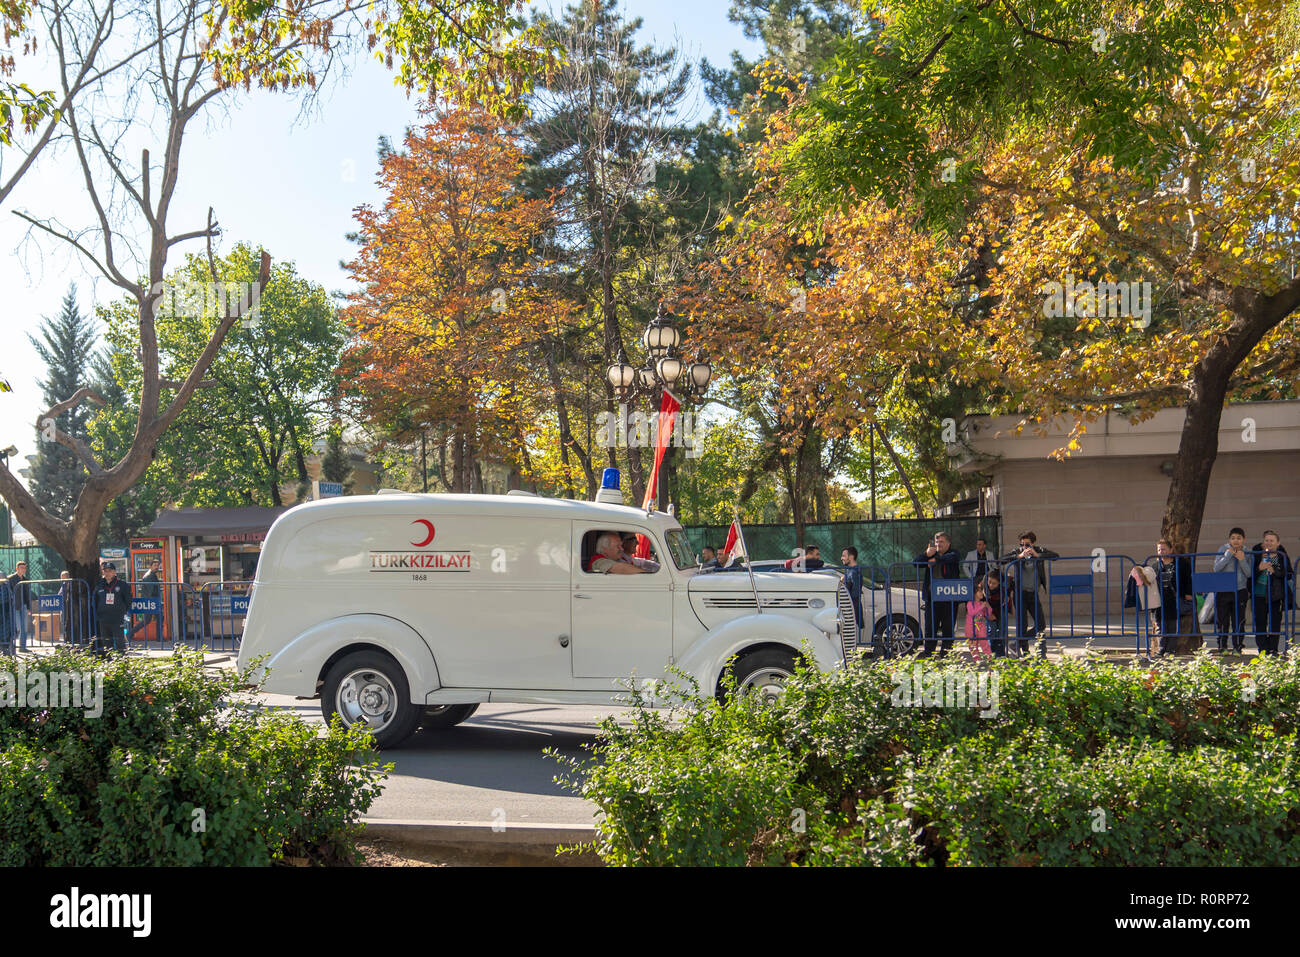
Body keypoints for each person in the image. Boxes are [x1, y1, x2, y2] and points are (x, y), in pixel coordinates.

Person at [1001, 532, 1059, 656]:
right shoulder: (1017, 552)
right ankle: (1025, 654)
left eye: (1027, 544)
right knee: (1022, 625)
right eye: (1021, 544)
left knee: (1041, 624)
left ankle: (1017, 644)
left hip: (1033, 593)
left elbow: (1055, 556)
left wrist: (1038, 555)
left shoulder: (1038, 551)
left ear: (1033, 543)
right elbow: (1001, 560)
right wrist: (1019, 556)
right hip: (1020, 593)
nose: (1024, 547)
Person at [915, 531, 962, 658]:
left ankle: (945, 652)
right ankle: (928, 651)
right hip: (932, 598)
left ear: (948, 543)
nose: (938, 544)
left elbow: (953, 557)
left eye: (941, 542)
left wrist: (936, 559)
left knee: (948, 627)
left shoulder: (953, 553)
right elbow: (916, 563)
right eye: (937, 542)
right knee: (930, 626)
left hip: (949, 597)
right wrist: (926, 554)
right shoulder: (930, 554)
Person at [1147, 539, 1195, 655]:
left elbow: (1188, 580)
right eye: (1159, 549)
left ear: (1171, 549)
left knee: (1173, 625)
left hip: (1174, 599)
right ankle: (1161, 649)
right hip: (1159, 600)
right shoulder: (1155, 566)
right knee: (1160, 626)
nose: (1161, 552)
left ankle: (1170, 650)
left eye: (1163, 549)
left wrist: (1188, 594)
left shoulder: (1181, 564)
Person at [1250, 530, 1292, 656]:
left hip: (1275, 595)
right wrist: (1259, 568)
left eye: (1272, 541)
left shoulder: (1281, 556)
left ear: (1278, 543)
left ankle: (1273, 649)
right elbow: (1249, 574)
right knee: (1260, 622)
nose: (1269, 543)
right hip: (1258, 594)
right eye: (1266, 540)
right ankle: (1263, 649)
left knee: (1274, 622)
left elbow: (1288, 573)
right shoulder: (1257, 555)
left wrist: (1274, 570)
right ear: (1263, 542)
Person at [1212, 528, 1251, 653]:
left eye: (1239, 538)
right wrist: (1227, 556)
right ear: (1229, 539)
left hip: (1240, 590)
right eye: (1233, 538)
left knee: (1238, 620)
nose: (1236, 541)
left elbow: (1249, 573)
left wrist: (1242, 560)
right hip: (1223, 590)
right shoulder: (1223, 549)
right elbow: (1216, 568)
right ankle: (1222, 646)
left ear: (1243, 540)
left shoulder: (1247, 552)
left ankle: (1237, 646)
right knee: (1222, 620)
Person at [92, 562, 133, 657]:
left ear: (114, 572)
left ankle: (122, 663)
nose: (107, 573)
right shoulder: (99, 585)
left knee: (119, 642)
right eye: (105, 571)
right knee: (106, 642)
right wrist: (98, 613)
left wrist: (121, 611)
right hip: (103, 618)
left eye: (109, 571)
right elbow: (95, 600)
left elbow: (128, 600)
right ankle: (109, 664)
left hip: (117, 618)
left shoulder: (122, 585)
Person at [129, 559, 162, 640]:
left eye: (157, 565)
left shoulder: (151, 574)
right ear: (150, 566)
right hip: (151, 601)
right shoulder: (150, 576)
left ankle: (159, 638)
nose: (156, 567)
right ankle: (130, 633)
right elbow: (150, 590)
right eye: (154, 565)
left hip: (150, 601)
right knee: (152, 619)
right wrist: (153, 602)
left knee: (149, 620)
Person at [5, 560, 32, 654]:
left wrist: (29, 607)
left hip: (23, 606)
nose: (23, 569)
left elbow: (28, 595)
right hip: (14, 606)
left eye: (24, 568)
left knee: (24, 627)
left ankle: (22, 647)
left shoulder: (26, 580)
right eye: (21, 568)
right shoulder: (10, 579)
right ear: (17, 568)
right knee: (17, 627)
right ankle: (11, 647)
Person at [964, 581, 993, 662]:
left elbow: (987, 615)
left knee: (984, 641)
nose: (981, 593)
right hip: (970, 626)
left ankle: (988, 656)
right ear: (974, 593)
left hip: (980, 626)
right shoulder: (970, 603)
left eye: (982, 591)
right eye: (979, 591)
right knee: (973, 643)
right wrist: (981, 607)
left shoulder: (981, 603)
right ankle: (976, 658)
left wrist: (988, 607)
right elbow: (972, 613)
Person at [983, 567, 1007, 658]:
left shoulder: (1003, 590)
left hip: (1000, 610)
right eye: (989, 582)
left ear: (999, 583)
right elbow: (981, 601)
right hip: (988, 611)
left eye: (994, 583)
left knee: (1001, 630)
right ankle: (991, 651)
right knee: (991, 630)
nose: (991, 585)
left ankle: (1000, 653)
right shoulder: (983, 587)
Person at [840, 546, 864, 634]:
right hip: (849, 610)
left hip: (850, 611)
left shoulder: (854, 572)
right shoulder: (851, 571)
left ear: (851, 557)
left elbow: (855, 593)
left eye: (843, 556)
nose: (841, 558)